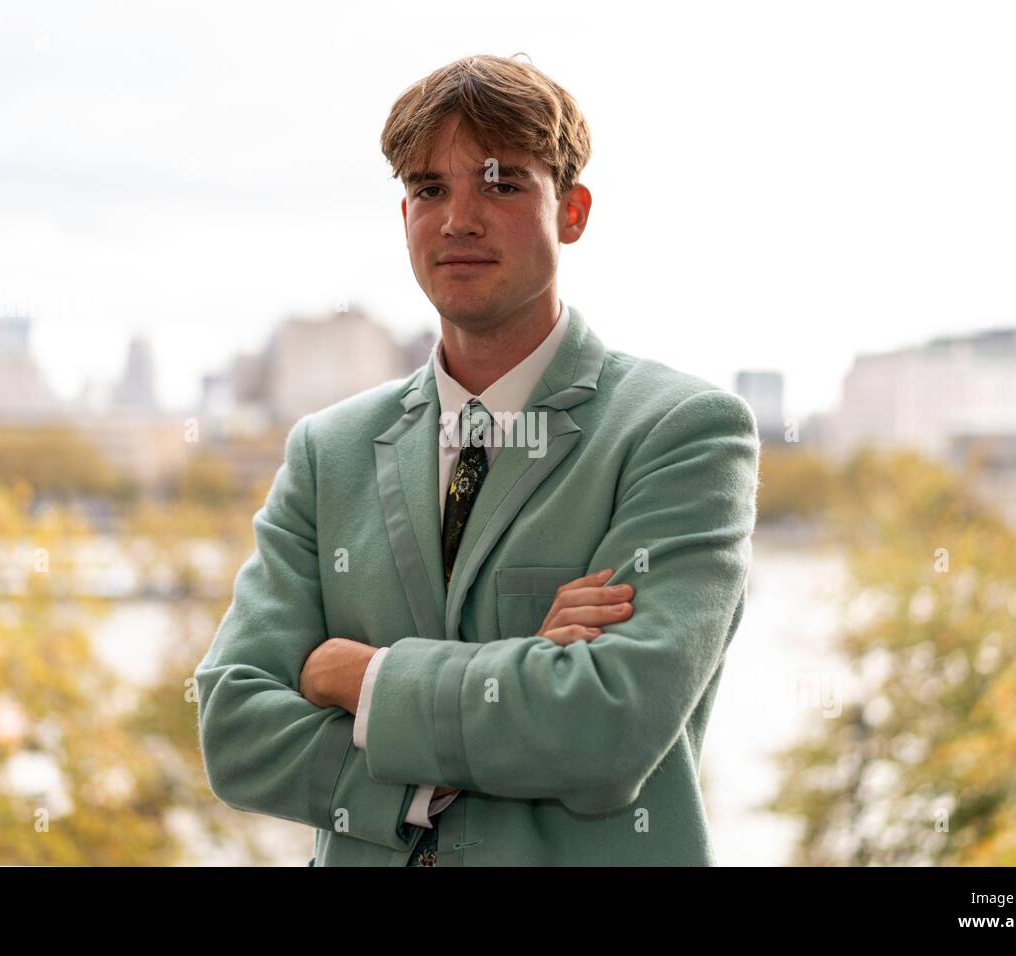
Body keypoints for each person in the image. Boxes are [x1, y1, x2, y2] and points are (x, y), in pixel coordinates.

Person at [194, 53, 760, 866]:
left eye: (500, 184)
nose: (458, 218)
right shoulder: (329, 452)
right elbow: (235, 727)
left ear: (572, 211)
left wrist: (362, 680)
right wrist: (506, 698)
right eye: (430, 189)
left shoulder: (682, 434)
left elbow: (607, 727)